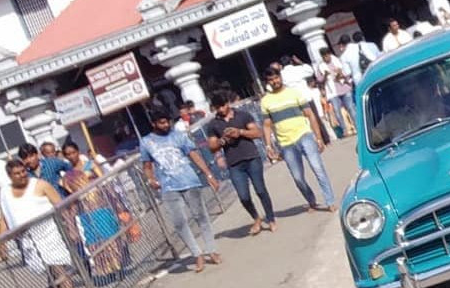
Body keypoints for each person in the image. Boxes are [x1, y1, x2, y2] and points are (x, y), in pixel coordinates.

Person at [140, 109, 222, 272]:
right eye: (161, 123)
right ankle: (196, 254)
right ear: (154, 124)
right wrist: (151, 179)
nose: (165, 125)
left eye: (167, 122)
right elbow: (147, 165)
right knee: (179, 222)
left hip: (189, 181)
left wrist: (208, 174)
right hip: (168, 186)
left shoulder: (178, 135)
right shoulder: (146, 142)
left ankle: (211, 250)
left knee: (201, 216)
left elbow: (194, 155)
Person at [0, 159, 81, 288]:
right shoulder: (4, 192)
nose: (22, 175)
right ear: (10, 176)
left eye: (23, 171)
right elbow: (4, 217)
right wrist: (2, 242)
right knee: (50, 270)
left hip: (48, 232)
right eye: (17, 173)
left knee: (57, 267)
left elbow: (61, 205)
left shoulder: (40, 185)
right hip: (27, 239)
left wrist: (71, 228)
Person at [260, 67, 336, 212]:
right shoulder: (266, 101)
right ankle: (311, 200)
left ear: (280, 77)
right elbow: (267, 125)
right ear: (267, 82)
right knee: (297, 178)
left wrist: (318, 138)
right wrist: (268, 146)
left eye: (276, 77)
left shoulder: (294, 93)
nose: (275, 81)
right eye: (271, 80)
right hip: (286, 143)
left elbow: (310, 114)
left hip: (304, 135)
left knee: (318, 168)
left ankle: (330, 200)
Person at [207, 90, 276, 236]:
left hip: (251, 157)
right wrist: (223, 140)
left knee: (260, 190)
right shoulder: (213, 124)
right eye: (217, 107)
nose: (220, 110)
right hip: (234, 163)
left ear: (228, 103)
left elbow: (257, 133)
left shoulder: (243, 115)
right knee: (243, 196)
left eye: (222, 106)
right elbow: (212, 146)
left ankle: (270, 218)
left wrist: (240, 132)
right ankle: (256, 218)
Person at [61, 140, 128, 284]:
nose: (71, 156)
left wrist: (117, 204)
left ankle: (118, 267)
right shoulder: (68, 176)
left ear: (78, 152)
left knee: (109, 235)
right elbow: (70, 196)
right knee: (94, 241)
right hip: (84, 210)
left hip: (100, 205)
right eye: (68, 154)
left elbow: (104, 182)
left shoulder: (90, 165)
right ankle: (106, 271)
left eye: (73, 153)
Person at [316, 47, 356, 137]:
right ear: (322, 57)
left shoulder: (337, 61)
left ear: (329, 54)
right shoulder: (320, 66)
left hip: (344, 88)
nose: (326, 58)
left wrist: (340, 73)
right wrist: (325, 75)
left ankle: (358, 127)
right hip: (332, 92)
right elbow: (319, 80)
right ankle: (345, 130)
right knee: (337, 112)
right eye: (324, 56)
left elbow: (346, 73)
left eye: (327, 55)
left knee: (351, 108)